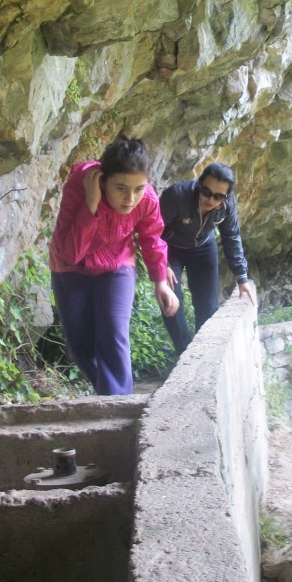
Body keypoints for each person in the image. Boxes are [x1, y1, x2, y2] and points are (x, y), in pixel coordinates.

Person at [49, 135, 179, 395]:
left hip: (117, 263)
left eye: (138, 188)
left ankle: (116, 405)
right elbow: (71, 252)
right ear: (103, 180)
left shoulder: (147, 199)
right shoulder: (78, 187)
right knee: (80, 346)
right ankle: (109, 396)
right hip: (70, 267)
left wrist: (161, 282)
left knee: (113, 332)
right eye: (121, 188)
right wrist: (91, 203)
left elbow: (152, 238)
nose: (130, 198)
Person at [159, 163, 255, 354]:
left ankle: (202, 353)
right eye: (206, 192)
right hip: (170, 249)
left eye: (218, 196)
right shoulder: (176, 195)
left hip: (203, 247)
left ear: (226, 196)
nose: (211, 199)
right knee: (169, 299)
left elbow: (231, 236)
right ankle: (185, 353)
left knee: (208, 306)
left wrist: (241, 277)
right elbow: (153, 231)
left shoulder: (227, 205)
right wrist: (163, 264)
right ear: (199, 185)